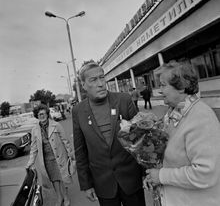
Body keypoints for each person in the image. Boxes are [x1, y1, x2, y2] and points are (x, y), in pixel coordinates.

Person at [143, 61, 220, 206]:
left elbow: (205, 174)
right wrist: (154, 175)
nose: (160, 90)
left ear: (181, 87)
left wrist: (161, 176)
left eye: (163, 85)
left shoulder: (201, 117)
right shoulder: (173, 113)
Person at [72, 62, 146, 206]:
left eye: (102, 78)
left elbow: (141, 138)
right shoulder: (78, 111)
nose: (100, 84)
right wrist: (86, 185)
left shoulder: (123, 100)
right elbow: (80, 151)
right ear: (83, 85)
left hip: (131, 178)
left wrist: (145, 172)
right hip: (103, 184)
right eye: (93, 80)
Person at [26, 104, 74, 206]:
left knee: (62, 177)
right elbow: (33, 148)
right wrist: (30, 162)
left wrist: (71, 154)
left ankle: (65, 197)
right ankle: (59, 197)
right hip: (46, 159)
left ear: (47, 114)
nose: (41, 116)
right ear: (36, 116)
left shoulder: (56, 125)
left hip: (59, 156)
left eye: (43, 114)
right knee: (53, 179)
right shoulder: (34, 130)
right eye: (39, 114)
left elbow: (65, 141)